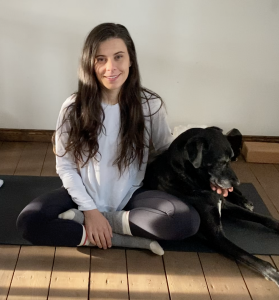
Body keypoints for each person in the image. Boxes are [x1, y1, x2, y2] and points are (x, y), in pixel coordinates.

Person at [16, 23, 231, 254]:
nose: (111, 67)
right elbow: (65, 166)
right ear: (90, 63)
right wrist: (89, 210)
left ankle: (93, 223)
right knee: (29, 221)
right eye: (100, 59)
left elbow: (168, 153)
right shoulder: (72, 107)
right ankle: (122, 238)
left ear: (130, 60)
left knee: (186, 221)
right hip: (82, 195)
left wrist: (209, 176)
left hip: (131, 197)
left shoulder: (150, 105)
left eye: (118, 57)